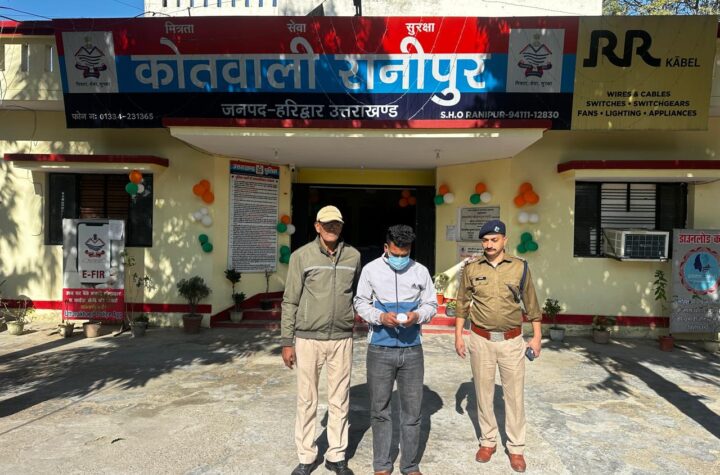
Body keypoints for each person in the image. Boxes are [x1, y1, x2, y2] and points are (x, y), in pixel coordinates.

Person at [454, 219, 542, 473]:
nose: (489, 244)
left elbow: (532, 304)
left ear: (504, 240)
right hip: (480, 340)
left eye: (494, 239)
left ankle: (516, 448)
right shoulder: (471, 268)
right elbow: (462, 303)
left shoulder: (520, 267)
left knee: (514, 396)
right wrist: (458, 336)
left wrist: (536, 337)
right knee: (483, 394)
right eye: (485, 240)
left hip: (511, 342)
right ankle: (488, 441)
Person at [281, 205, 361, 475]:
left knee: (340, 399)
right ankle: (306, 456)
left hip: (341, 338)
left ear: (342, 226)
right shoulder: (301, 256)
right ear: (317, 226)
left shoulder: (353, 256)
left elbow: (354, 293)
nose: (331, 228)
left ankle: (336, 455)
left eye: (336, 224)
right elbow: (290, 301)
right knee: (307, 400)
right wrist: (287, 341)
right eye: (326, 224)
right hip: (308, 339)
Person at [354, 224, 437, 475]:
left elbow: (431, 304)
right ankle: (382, 464)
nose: (400, 259)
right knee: (380, 410)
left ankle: (410, 465)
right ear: (386, 248)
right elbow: (360, 302)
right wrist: (379, 317)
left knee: (412, 412)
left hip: (412, 350)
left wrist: (417, 315)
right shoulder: (371, 270)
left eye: (405, 254)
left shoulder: (421, 271)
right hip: (379, 349)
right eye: (395, 254)